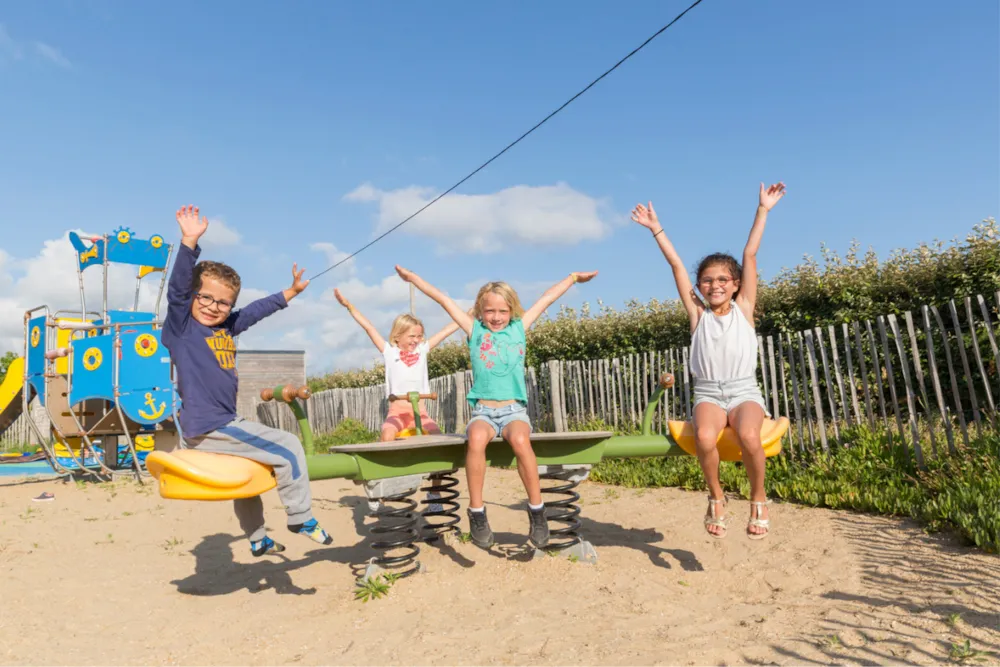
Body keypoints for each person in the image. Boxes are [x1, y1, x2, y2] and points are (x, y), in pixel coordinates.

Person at [162, 204, 333, 557]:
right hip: (212, 425)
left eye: (223, 303)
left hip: (218, 425)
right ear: (193, 297)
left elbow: (254, 312)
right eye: (205, 297)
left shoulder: (226, 328)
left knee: (249, 476)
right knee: (288, 446)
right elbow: (177, 290)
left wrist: (290, 293)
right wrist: (189, 243)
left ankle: (257, 538)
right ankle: (301, 516)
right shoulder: (181, 328)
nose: (213, 306)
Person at [395, 266, 598, 549]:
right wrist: (413, 280)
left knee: (519, 438)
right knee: (476, 438)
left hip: (514, 410)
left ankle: (537, 511)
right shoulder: (473, 329)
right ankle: (477, 513)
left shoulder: (519, 328)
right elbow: (442, 299)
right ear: (480, 310)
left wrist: (573, 279)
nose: (496, 317)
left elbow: (546, 298)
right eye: (490, 311)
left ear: (511, 310)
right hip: (484, 412)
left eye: (503, 311)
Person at [631, 182, 787, 540]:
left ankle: (758, 498)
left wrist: (762, 209)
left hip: (743, 390)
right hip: (708, 393)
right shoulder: (697, 314)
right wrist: (656, 228)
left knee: (749, 434)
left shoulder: (744, 309)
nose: (714, 284)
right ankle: (716, 496)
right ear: (700, 287)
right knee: (704, 436)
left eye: (722, 279)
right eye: (707, 280)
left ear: (735, 284)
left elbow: (750, 255)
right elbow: (676, 266)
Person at [334, 289, 461, 441]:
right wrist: (349, 306)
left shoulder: (422, 350)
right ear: (397, 336)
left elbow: (445, 331)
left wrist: (469, 315)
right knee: (387, 435)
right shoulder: (390, 352)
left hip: (420, 413)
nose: (416, 340)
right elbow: (369, 328)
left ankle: (445, 464)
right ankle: (384, 462)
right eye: (411, 336)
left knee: (436, 434)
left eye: (419, 336)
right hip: (397, 414)